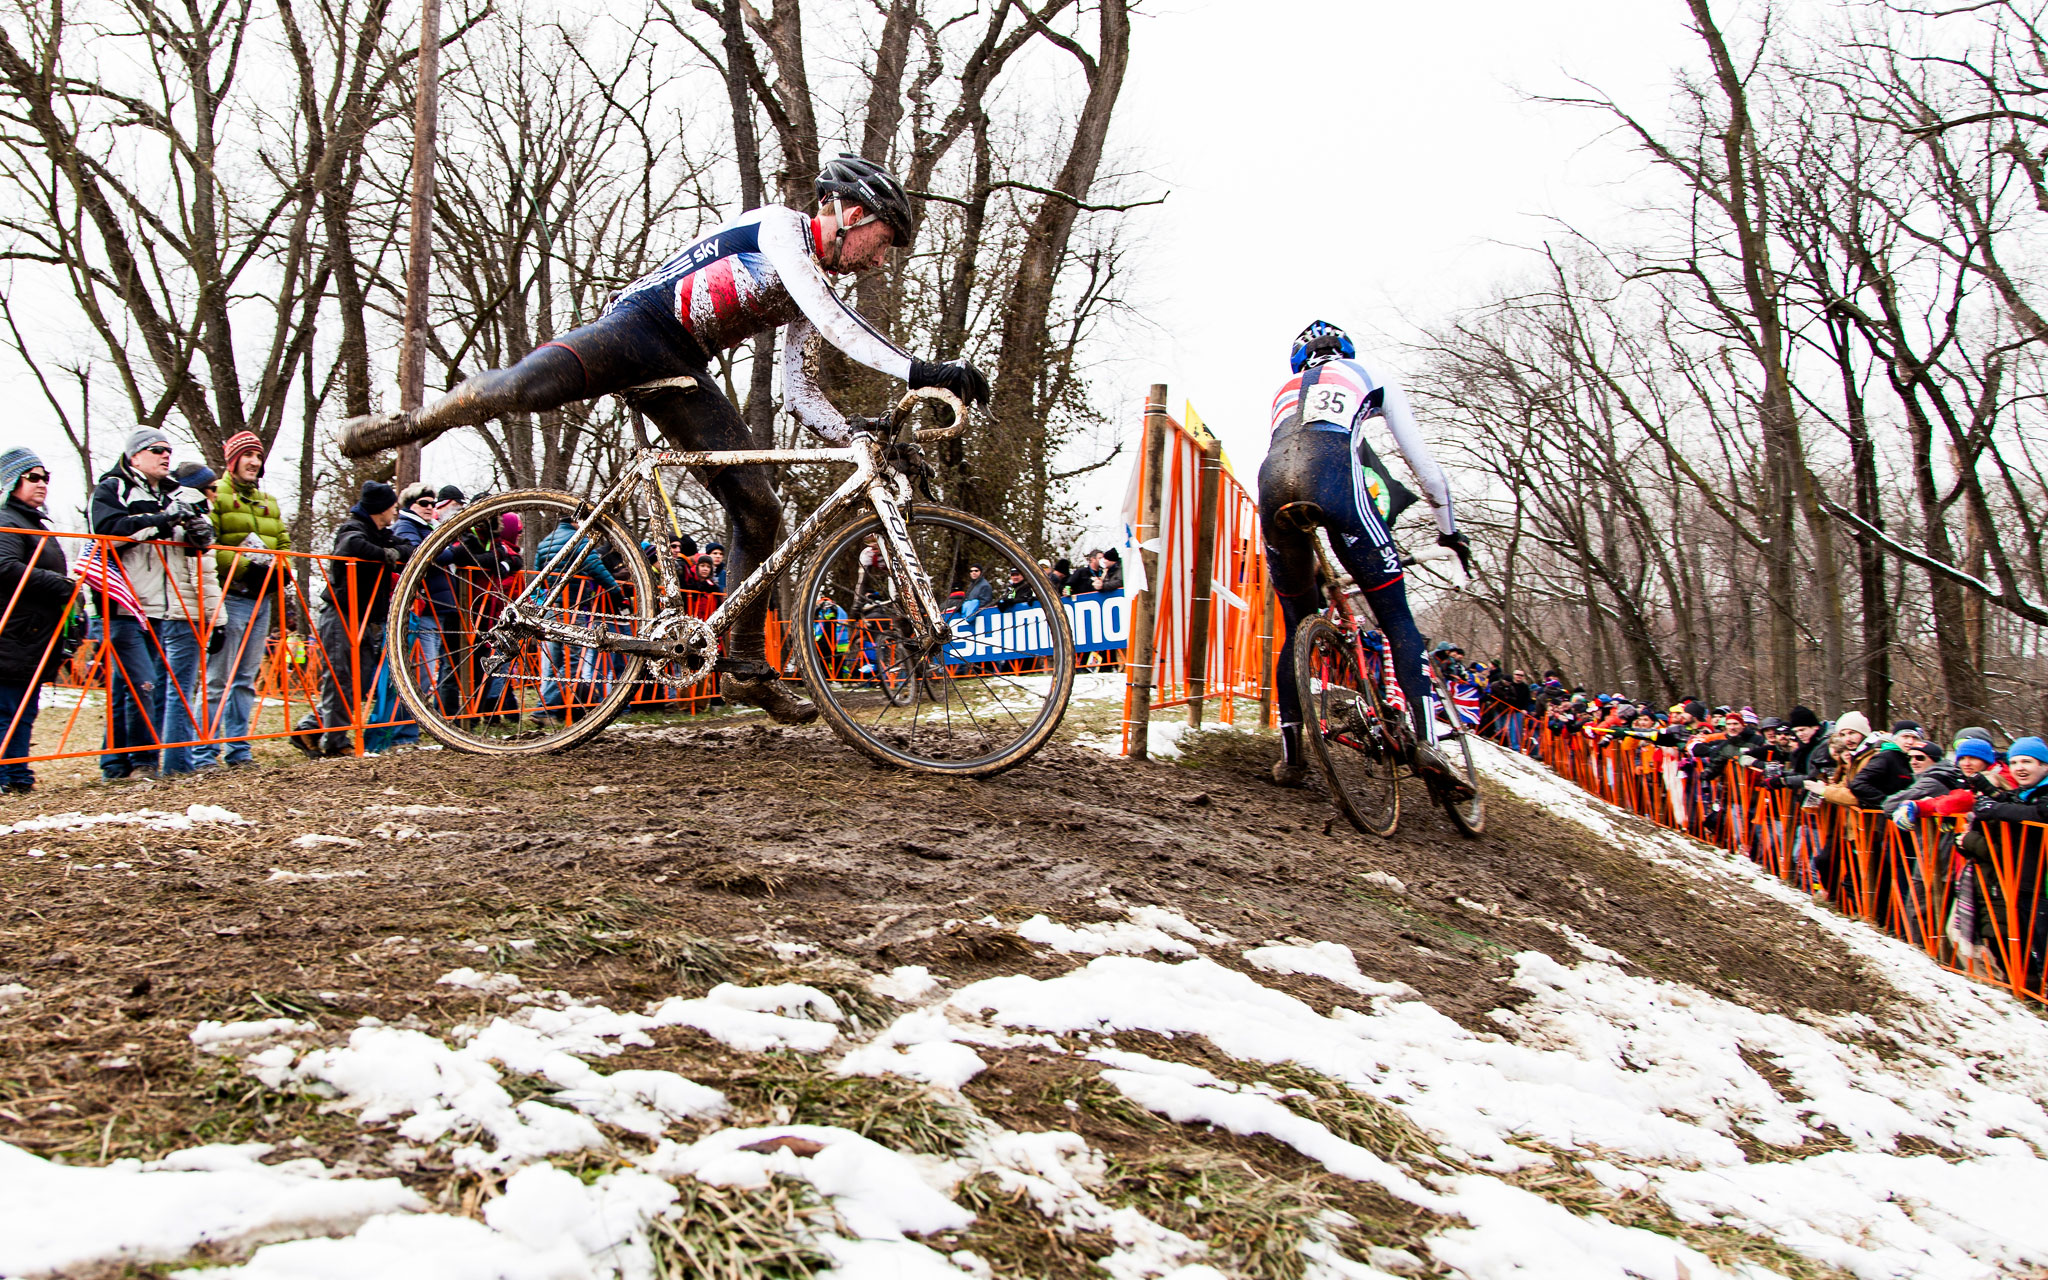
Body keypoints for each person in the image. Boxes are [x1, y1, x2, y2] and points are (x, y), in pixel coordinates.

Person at [336, 155, 987, 725]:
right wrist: (922, 371)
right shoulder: (781, 230)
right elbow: (835, 321)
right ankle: (405, 425)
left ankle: (741, 664)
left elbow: (799, 392)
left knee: (759, 509)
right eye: (884, 238)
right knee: (520, 390)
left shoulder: (808, 290)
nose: (882, 257)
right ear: (847, 211)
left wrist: (856, 441)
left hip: (680, 367)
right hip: (639, 328)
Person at [1258, 320, 1472, 792]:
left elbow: (1287, 450)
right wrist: (1449, 533)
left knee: (1295, 625)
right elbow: (1425, 468)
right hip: (1334, 471)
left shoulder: (1284, 389)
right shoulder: (1367, 374)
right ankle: (1428, 742)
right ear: (1344, 349)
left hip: (1272, 482)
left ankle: (1292, 756)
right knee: (1396, 617)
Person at [90, 428, 220, 778]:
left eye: (168, 450)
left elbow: (197, 539)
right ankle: (143, 763)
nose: (165, 456)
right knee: (142, 683)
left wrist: (198, 533)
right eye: (156, 450)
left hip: (162, 603)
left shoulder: (175, 493)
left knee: (128, 686)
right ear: (135, 457)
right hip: (122, 601)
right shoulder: (113, 487)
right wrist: (164, 520)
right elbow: (109, 532)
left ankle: (114, 766)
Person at [194, 431, 291, 769]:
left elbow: (283, 543)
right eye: (247, 455)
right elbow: (208, 546)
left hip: (261, 600)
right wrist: (245, 569)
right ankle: (203, 751)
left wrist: (282, 570)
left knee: (246, 679)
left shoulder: (269, 502)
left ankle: (239, 749)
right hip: (230, 597)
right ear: (232, 461)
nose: (254, 462)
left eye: (258, 456)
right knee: (217, 678)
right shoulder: (215, 496)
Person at [295, 482, 408, 756]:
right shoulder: (353, 528)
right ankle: (335, 743)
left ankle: (309, 729)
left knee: (360, 680)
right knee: (341, 678)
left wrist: (391, 552)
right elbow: (351, 546)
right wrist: (384, 556)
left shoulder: (382, 533)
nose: (395, 510)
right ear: (380, 508)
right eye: (392, 505)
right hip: (341, 614)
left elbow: (407, 548)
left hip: (365, 617)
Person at [0, 450, 76, 793]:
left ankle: (19, 776)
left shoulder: (33, 522)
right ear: (11, 481)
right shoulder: (6, 520)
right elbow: (5, 567)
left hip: (36, 633)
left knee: (25, 709)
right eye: (33, 477)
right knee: (7, 707)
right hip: (13, 631)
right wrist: (59, 585)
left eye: (46, 477)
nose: (42, 483)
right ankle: (5, 776)